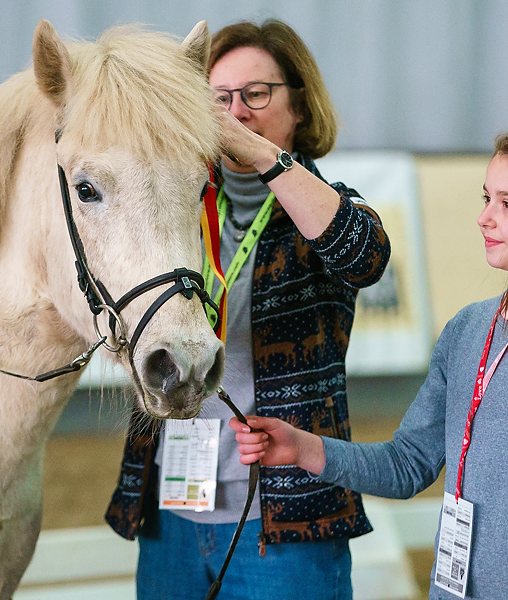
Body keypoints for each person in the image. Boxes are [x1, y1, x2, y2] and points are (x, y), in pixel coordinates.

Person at [231, 125, 508, 600]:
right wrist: (302, 447)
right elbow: (408, 464)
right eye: (486, 198)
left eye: (507, 204)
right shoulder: (467, 329)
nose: (484, 218)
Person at [105, 18, 391, 600]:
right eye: (218, 99)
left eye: (256, 95)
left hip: (285, 520)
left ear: (301, 107)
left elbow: (365, 258)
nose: (236, 112)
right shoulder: (174, 210)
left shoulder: (324, 209)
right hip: (172, 515)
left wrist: (261, 155)